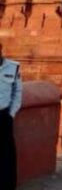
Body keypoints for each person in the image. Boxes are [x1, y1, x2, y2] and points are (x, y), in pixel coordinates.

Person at [0, 42, 22, 190]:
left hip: (3, 116)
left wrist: (11, 114)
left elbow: (17, 92)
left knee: (6, 155)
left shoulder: (13, 67)